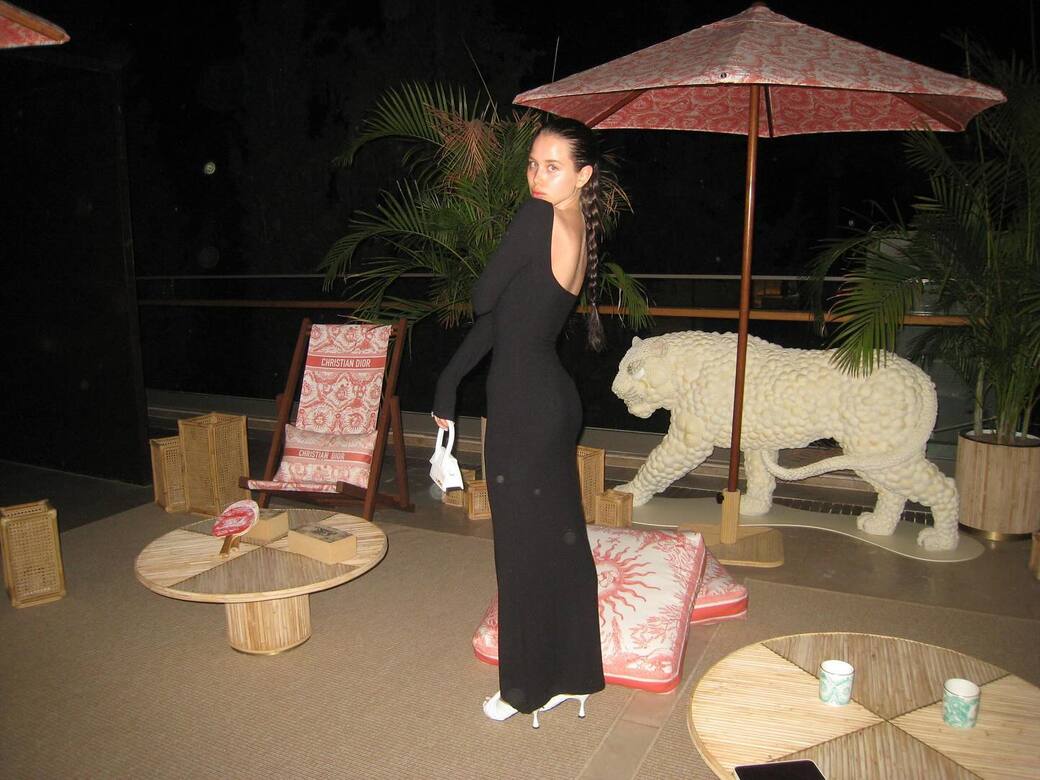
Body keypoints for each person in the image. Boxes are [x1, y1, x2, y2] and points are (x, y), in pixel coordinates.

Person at [431, 116, 606, 726]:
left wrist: (506, 246)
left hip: (524, 406)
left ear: (583, 174)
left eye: (553, 166)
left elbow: (483, 298)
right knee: (560, 541)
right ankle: (576, 675)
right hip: (550, 398)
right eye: (533, 163)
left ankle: (525, 688)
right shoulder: (575, 227)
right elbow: (506, 319)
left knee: (521, 551)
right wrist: (449, 381)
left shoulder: (537, 218)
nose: (537, 175)